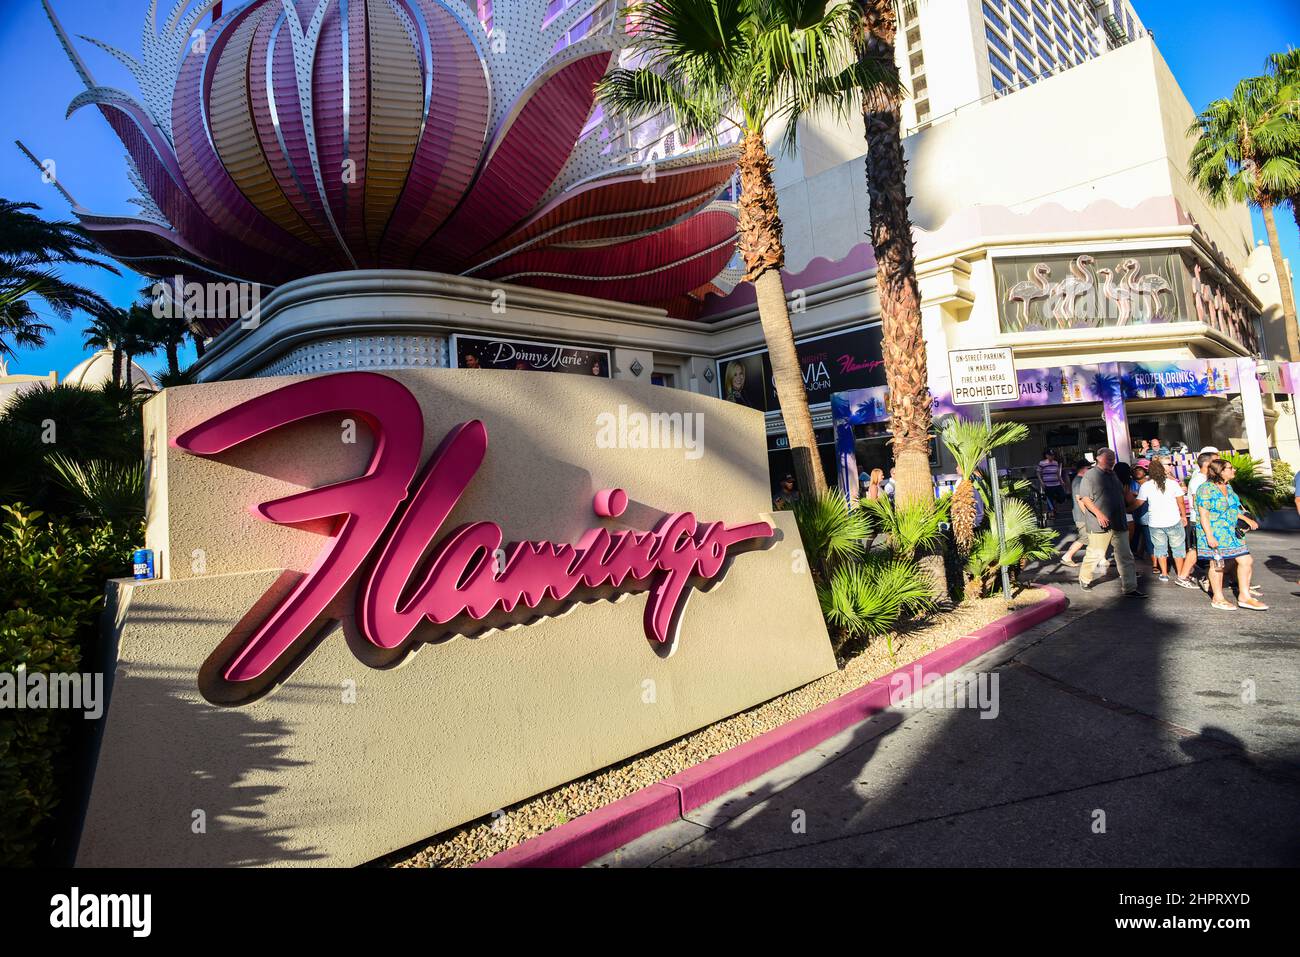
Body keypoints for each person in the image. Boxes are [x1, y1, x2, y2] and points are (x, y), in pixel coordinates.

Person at [1194, 459, 1264, 610]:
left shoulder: (1228, 487)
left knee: (1246, 560)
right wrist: (1209, 536)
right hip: (1214, 532)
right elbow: (1203, 515)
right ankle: (1217, 598)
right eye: (1230, 468)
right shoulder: (1205, 489)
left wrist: (1246, 519)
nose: (1234, 471)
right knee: (1218, 565)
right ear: (1220, 471)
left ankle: (1245, 596)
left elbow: (1233, 509)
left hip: (1232, 532)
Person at [1077, 449, 1144, 597]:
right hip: (1099, 524)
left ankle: (1130, 588)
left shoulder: (1113, 474)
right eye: (1109, 459)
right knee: (1096, 553)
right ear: (1098, 458)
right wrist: (1099, 514)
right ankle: (1084, 578)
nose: (1112, 461)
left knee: (1125, 555)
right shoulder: (1090, 476)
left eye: (1113, 459)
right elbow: (1085, 499)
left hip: (1119, 522)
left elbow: (1121, 494)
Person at [1137, 459, 1188, 584]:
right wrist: (1183, 516)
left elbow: (1139, 503)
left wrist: (1126, 510)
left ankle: (1164, 574)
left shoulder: (1146, 486)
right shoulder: (1173, 484)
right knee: (1178, 548)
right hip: (1173, 520)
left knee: (1160, 549)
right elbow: (1180, 501)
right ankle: (1181, 574)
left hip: (1155, 523)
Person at [1175, 450, 1217, 587]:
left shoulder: (1206, 478)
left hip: (1205, 519)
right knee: (1195, 549)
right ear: (1206, 464)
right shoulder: (1199, 480)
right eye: (1215, 461)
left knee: (1197, 549)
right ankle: (1184, 576)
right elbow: (1196, 502)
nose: (1218, 464)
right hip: (1199, 519)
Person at [1061, 459, 1108, 572]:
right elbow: (1080, 500)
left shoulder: (1080, 480)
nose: (1090, 470)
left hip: (1082, 516)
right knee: (1085, 538)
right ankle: (1067, 556)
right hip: (1082, 517)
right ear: (1083, 469)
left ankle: (1101, 559)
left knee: (1091, 538)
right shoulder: (1079, 481)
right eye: (1089, 468)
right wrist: (1088, 515)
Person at [1037, 449, 1067, 520]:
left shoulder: (1055, 463)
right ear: (1046, 455)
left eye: (1053, 455)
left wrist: (1061, 481)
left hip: (1057, 483)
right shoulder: (1042, 463)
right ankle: (1051, 513)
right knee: (1049, 499)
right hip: (1048, 484)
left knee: (1062, 497)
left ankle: (1054, 506)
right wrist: (1041, 482)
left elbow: (1057, 473)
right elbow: (1038, 473)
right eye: (1050, 455)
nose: (1052, 457)